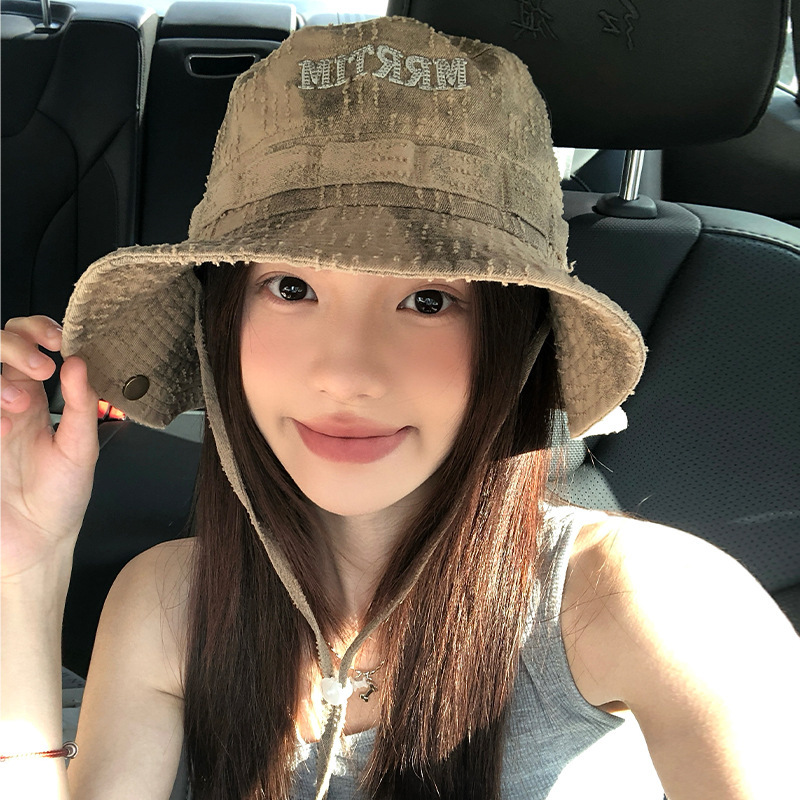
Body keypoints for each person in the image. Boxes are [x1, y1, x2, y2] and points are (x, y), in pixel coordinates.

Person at [1, 15, 798, 800]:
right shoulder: (169, 603)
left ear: (515, 342)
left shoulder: (645, 601)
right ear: (221, 325)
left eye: (428, 300)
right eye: (291, 288)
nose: (346, 374)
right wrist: (27, 564)